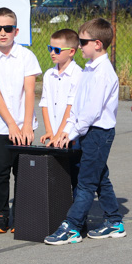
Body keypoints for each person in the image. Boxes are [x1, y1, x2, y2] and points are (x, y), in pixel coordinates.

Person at [45, 18, 125, 245]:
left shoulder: (103, 73)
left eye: (83, 42)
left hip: (98, 133)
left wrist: (71, 134)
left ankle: (71, 226)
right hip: (88, 131)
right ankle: (114, 221)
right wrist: (66, 131)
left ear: (97, 44)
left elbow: (90, 112)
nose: (80, 46)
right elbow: (77, 106)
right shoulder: (89, 69)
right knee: (100, 178)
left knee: (86, 182)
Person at [0, 7, 41, 233]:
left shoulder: (27, 56)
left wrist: (25, 125)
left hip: (24, 125)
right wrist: (11, 125)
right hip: (1, 126)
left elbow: (30, 91)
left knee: (23, 171)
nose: (3, 32)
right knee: (1, 171)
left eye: (8, 28)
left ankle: (21, 214)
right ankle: (2, 215)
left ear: (16, 31)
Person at [39, 28, 82, 191]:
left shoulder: (78, 74)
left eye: (56, 50)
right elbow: (45, 103)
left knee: (75, 176)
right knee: (57, 178)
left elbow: (71, 108)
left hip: (70, 136)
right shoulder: (48, 74)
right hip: (56, 137)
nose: (52, 53)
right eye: (50, 48)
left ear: (71, 51)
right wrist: (50, 131)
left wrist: (59, 135)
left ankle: (77, 215)